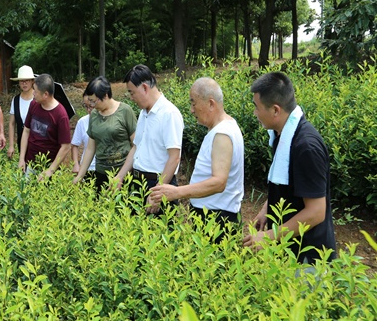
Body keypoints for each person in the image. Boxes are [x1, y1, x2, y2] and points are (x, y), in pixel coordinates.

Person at [243, 72, 336, 264]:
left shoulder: (306, 147)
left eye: (257, 107)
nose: (254, 113)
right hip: (288, 249)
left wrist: (269, 236)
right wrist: (267, 208)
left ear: (275, 110)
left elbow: (316, 212)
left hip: (308, 256)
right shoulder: (282, 135)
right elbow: (288, 184)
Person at [148, 78, 244, 236]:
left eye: (194, 103)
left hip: (217, 219)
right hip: (211, 216)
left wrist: (177, 192)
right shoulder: (222, 128)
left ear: (211, 104)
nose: (192, 110)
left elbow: (219, 182)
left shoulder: (222, 134)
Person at [114, 64, 184, 215]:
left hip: (158, 184)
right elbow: (136, 147)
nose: (131, 98)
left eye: (132, 93)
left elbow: (174, 157)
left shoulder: (169, 113)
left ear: (145, 88)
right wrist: (120, 176)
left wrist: (157, 193)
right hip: (138, 182)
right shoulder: (144, 113)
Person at [73, 76, 136, 191]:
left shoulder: (125, 111)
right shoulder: (94, 115)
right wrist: (80, 175)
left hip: (123, 174)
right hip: (101, 173)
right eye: (90, 101)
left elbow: (135, 145)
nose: (92, 105)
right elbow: (90, 149)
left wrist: (121, 176)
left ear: (105, 95)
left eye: (93, 101)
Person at [19, 74, 71, 180]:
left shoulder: (60, 115)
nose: (33, 93)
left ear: (45, 94)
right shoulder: (33, 104)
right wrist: (21, 158)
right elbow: (26, 130)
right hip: (30, 164)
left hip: (49, 168)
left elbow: (66, 147)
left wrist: (50, 171)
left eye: (35, 91)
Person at [7, 65, 35, 158]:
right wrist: (11, 145)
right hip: (21, 143)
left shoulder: (38, 99)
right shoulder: (15, 100)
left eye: (27, 80)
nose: (24, 83)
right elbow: (11, 123)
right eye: (21, 81)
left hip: (37, 143)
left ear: (32, 81)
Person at [71, 92, 96, 179]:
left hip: (105, 168)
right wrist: (76, 164)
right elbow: (74, 145)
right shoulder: (82, 122)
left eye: (91, 106)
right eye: (86, 106)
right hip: (87, 168)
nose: (88, 110)